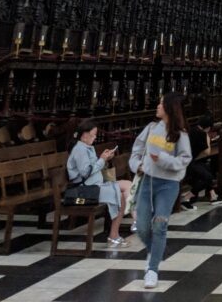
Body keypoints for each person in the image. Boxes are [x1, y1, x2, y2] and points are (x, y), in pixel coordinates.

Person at [129, 92, 192, 290]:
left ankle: (152, 269)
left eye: (161, 103)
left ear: (169, 108)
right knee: (141, 225)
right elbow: (137, 149)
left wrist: (163, 160)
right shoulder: (150, 128)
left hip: (168, 184)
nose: (157, 106)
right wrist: (137, 164)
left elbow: (184, 159)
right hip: (148, 181)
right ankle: (155, 250)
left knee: (159, 224)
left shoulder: (180, 134)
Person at [67, 119, 132, 248]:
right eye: (93, 134)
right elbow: (86, 172)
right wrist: (102, 160)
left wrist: (105, 159)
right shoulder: (80, 150)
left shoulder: (87, 148)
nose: (95, 137)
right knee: (120, 193)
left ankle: (120, 230)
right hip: (84, 191)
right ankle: (116, 234)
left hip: (95, 186)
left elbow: (93, 168)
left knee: (128, 185)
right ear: (84, 135)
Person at [180, 113, 219, 207]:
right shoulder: (201, 133)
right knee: (208, 177)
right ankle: (186, 198)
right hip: (188, 163)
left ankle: (213, 195)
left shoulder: (193, 130)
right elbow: (207, 152)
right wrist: (208, 138)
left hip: (189, 160)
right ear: (208, 127)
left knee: (207, 170)